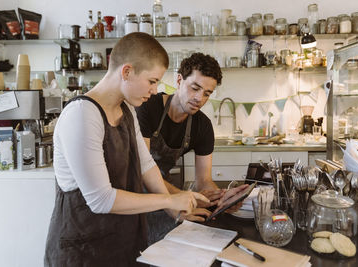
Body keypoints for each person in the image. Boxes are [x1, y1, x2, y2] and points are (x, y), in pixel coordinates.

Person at [44, 33, 208, 267]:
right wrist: (168, 201)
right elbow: (101, 200)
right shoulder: (82, 114)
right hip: (82, 252)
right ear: (127, 71)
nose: (154, 90)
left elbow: (146, 165)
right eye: (152, 81)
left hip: (119, 244)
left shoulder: (127, 110)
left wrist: (174, 210)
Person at [136, 53, 248, 244]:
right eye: (194, 88)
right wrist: (182, 196)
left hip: (168, 192)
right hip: (136, 191)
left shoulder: (202, 126)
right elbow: (142, 170)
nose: (199, 98)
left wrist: (219, 198)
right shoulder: (148, 108)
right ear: (179, 80)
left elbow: (203, 181)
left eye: (207, 93)